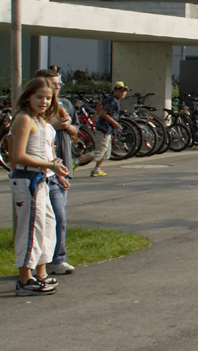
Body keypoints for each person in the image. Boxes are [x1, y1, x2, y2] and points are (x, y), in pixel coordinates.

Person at [10, 76, 62, 295]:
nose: (44, 102)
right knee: (31, 229)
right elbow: (18, 156)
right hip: (27, 179)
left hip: (43, 178)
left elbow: (48, 152)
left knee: (46, 227)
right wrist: (50, 165)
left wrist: (56, 171)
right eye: (39, 97)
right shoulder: (24, 119)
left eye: (48, 98)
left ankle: (41, 273)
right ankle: (24, 279)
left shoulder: (42, 121)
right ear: (28, 96)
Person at [41, 72, 80, 276]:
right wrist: (53, 127)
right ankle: (41, 261)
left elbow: (75, 129)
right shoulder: (39, 106)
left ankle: (57, 258)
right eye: (53, 83)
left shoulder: (65, 104)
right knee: (48, 218)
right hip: (42, 171)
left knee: (60, 216)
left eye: (59, 83)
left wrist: (67, 126)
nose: (57, 87)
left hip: (61, 167)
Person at [89, 81, 126, 176]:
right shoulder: (112, 101)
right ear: (115, 91)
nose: (123, 93)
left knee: (106, 152)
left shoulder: (113, 100)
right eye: (120, 91)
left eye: (124, 91)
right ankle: (77, 162)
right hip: (103, 128)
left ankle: (97, 169)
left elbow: (99, 103)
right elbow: (104, 114)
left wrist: (97, 113)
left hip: (108, 129)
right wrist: (115, 123)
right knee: (100, 150)